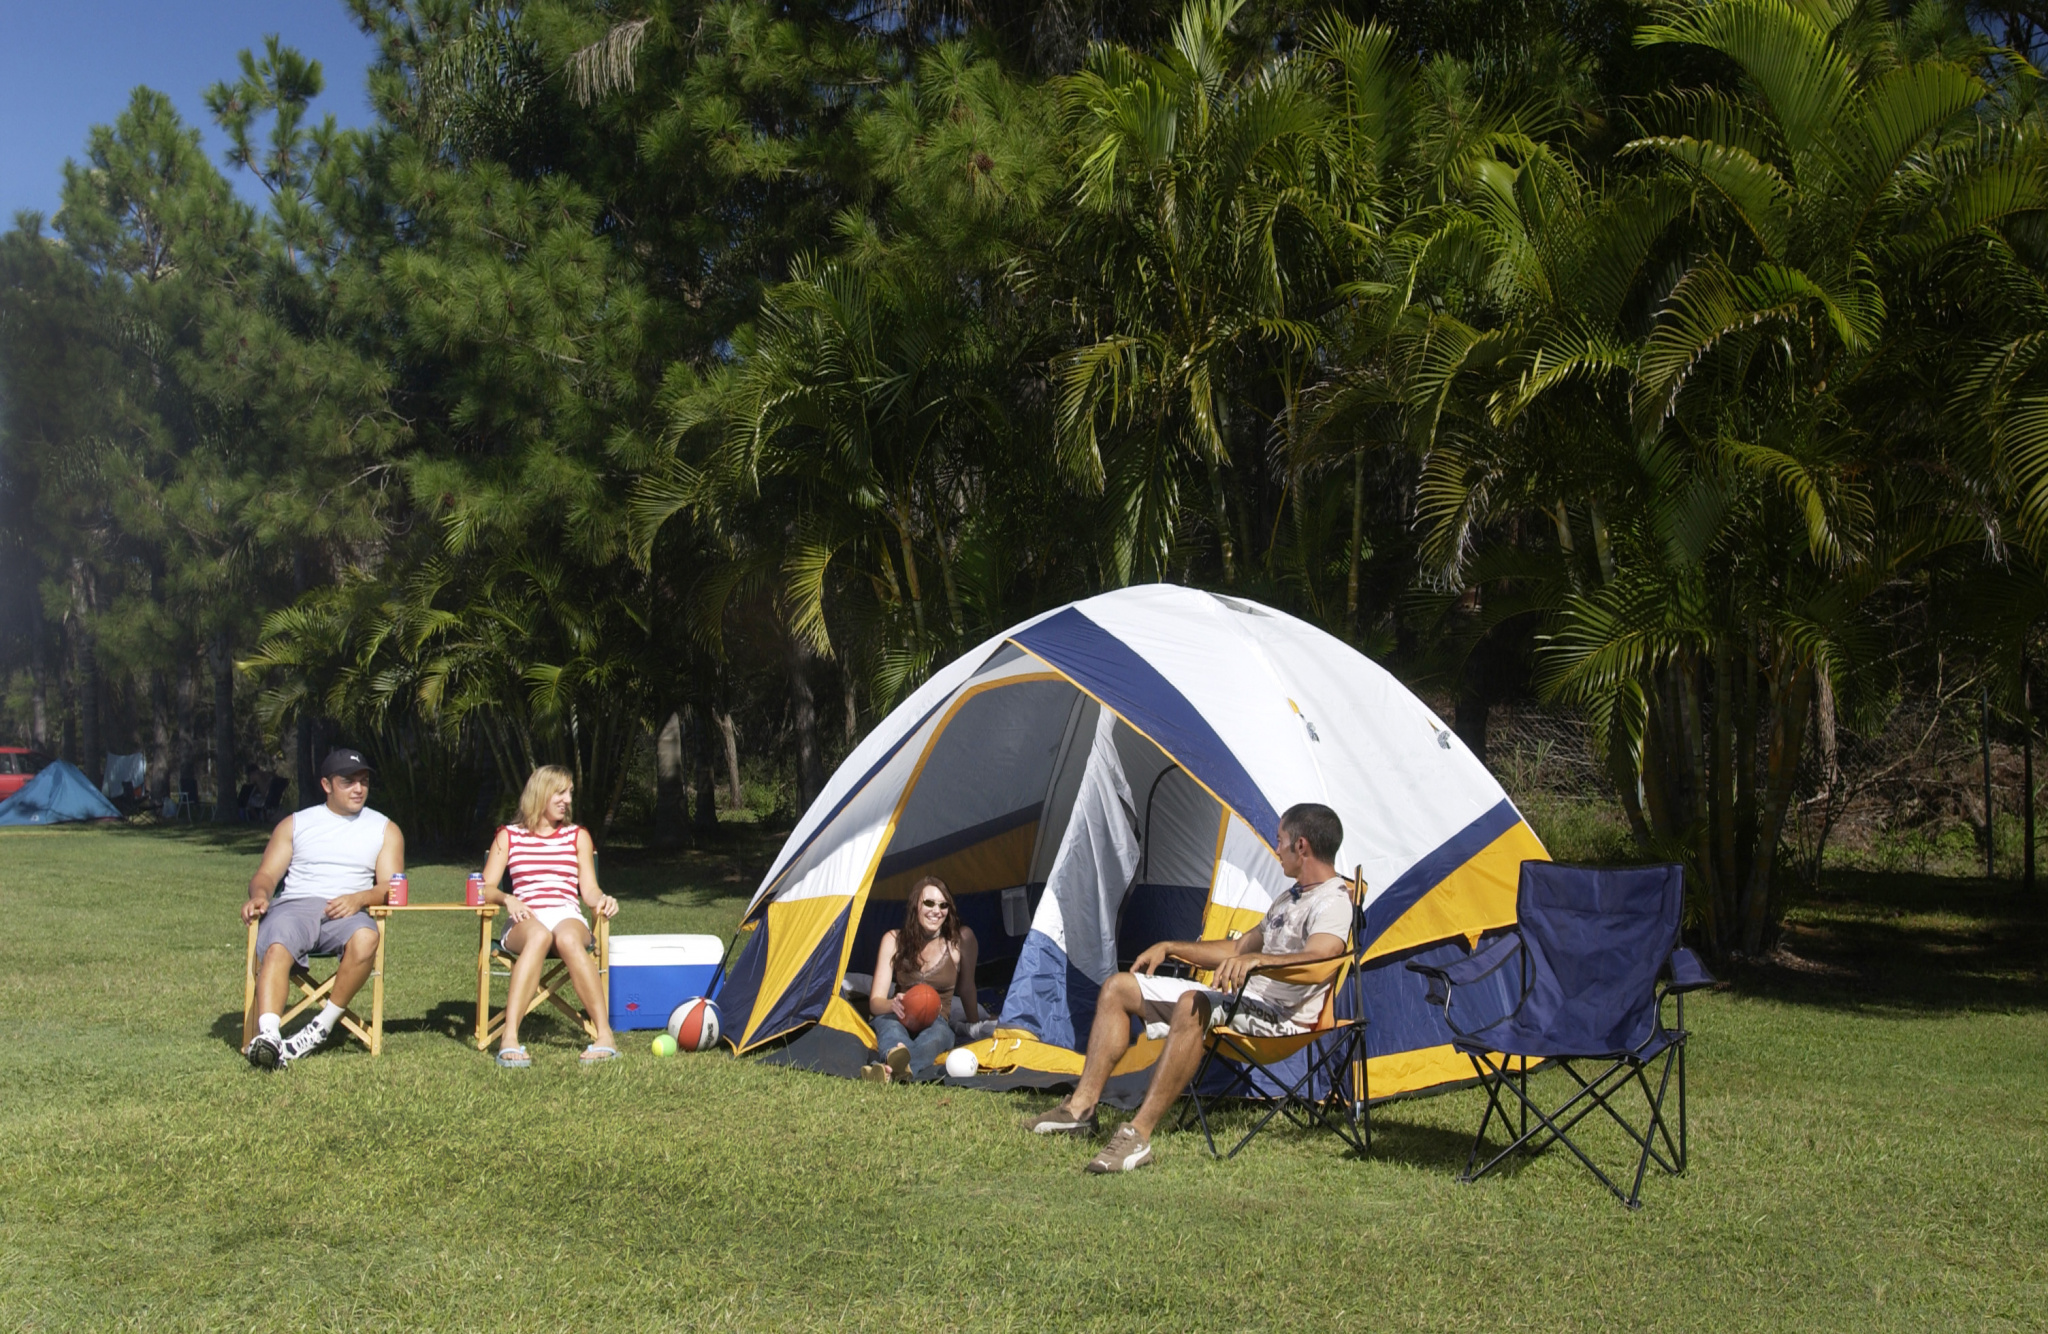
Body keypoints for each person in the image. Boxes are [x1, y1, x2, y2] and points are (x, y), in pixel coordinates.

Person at [1022, 802, 1353, 1173]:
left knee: (1194, 1002)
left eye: (1281, 841)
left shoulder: (1333, 901)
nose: (1276, 850)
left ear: (1302, 846)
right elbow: (1237, 949)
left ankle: (1138, 1135)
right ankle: (1080, 1109)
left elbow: (1320, 959)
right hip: (1245, 999)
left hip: (1282, 1018)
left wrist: (1260, 962)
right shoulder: (1289, 898)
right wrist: (1171, 946)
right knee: (1118, 988)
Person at [240, 748, 404, 1069]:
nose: (358, 789)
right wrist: (260, 895)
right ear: (327, 785)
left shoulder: (384, 829)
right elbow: (266, 875)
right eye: (348, 781)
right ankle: (270, 1037)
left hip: (346, 910)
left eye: (364, 781)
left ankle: (319, 1028)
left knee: (367, 937)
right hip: (296, 905)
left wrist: (359, 898)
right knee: (277, 943)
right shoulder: (297, 823)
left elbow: (391, 886)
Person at [480, 765, 620, 1067]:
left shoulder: (577, 836)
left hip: (566, 914)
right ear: (540, 793)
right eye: (560, 792)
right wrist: (508, 899)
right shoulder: (508, 836)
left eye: (569, 793)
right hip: (524, 917)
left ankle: (605, 1035)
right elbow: (485, 888)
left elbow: (590, 890)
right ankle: (510, 1039)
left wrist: (602, 900)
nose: (567, 799)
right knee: (540, 935)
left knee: (568, 937)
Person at [861, 875, 984, 1083]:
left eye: (943, 905)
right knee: (891, 1030)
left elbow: (966, 988)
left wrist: (974, 1026)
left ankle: (885, 1071)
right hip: (898, 1014)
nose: (937, 911)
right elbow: (875, 1003)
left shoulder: (960, 941)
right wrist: (893, 1004)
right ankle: (897, 1062)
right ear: (915, 905)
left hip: (936, 1019)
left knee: (935, 1039)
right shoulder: (893, 940)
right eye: (929, 903)